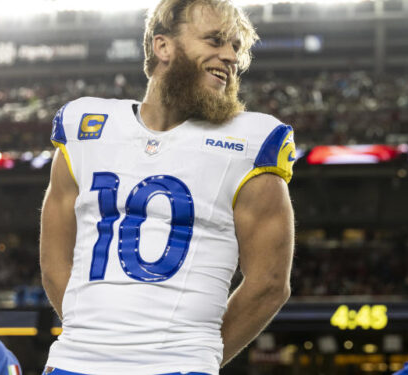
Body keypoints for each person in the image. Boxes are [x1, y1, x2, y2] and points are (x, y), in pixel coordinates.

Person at [40, 0, 296, 373]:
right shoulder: (85, 124)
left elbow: (270, 283)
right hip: (74, 360)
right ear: (163, 46)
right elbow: (53, 261)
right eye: (215, 40)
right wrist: (98, 337)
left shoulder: (253, 141)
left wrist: (194, 353)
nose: (230, 56)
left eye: (236, 48)